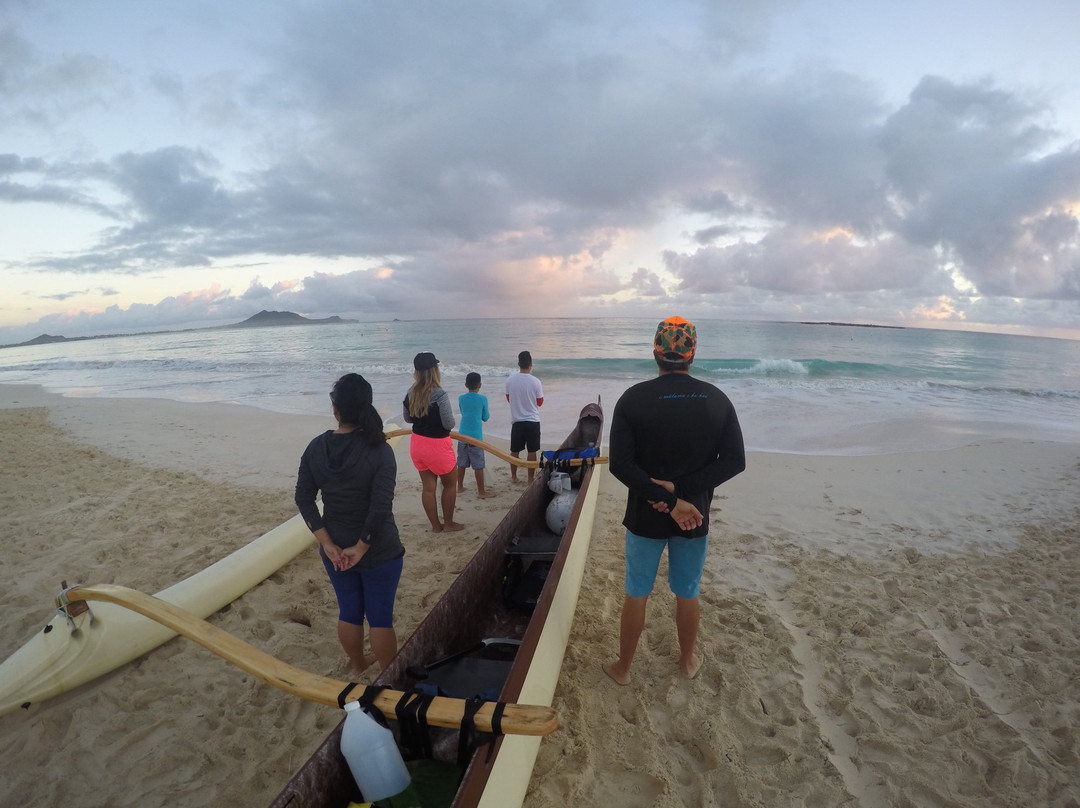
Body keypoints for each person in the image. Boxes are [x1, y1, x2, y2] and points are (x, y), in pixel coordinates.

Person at [603, 316, 745, 685]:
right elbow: (734, 461)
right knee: (687, 591)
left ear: (655, 352)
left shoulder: (632, 399)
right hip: (693, 516)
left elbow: (620, 465)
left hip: (645, 516)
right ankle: (686, 661)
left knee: (637, 591)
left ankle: (623, 668)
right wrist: (683, 495)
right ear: (692, 354)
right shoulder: (717, 400)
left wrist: (666, 496)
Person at [295, 373, 404, 673]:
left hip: (335, 550)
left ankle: (358, 664)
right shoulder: (380, 450)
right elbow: (380, 509)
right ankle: (388, 676)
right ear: (368, 407)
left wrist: (327, 543)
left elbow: (303, 498)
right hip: (379, 550)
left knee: (350, 611)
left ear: (336, 409)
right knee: (380, 618)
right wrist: (362, 546)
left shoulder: (317, 447)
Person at [403, 351, 464, 532]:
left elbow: (408, 418)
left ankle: (436, 526)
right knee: (450, 484)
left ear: (417, 372)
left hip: (418, 444)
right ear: (434, 370)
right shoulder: (440, 394)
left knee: (428, 488)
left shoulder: (410, 392)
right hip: (437, 446)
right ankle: (449, 524)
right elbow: (449, 423)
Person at [504, 350, 543, 483]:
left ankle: (514, 477)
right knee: (532, 451)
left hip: (517, 420)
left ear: (518, 364)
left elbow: (509, 398)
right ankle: (530, 478)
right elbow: (540, 402)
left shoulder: (510, 380)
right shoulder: (536, 381)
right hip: (532, 420)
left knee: (514, 450)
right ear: (530, 364)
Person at [456, 371, 495, 499]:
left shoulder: (461, 398)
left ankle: (460, 487)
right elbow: (485, 417)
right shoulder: (482, 399)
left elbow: (463, 412)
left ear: (466, 384)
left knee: (461, 462)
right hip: (476, 437)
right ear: (480, 385)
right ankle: (481, 492)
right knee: (478, 465)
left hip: (462, 435)